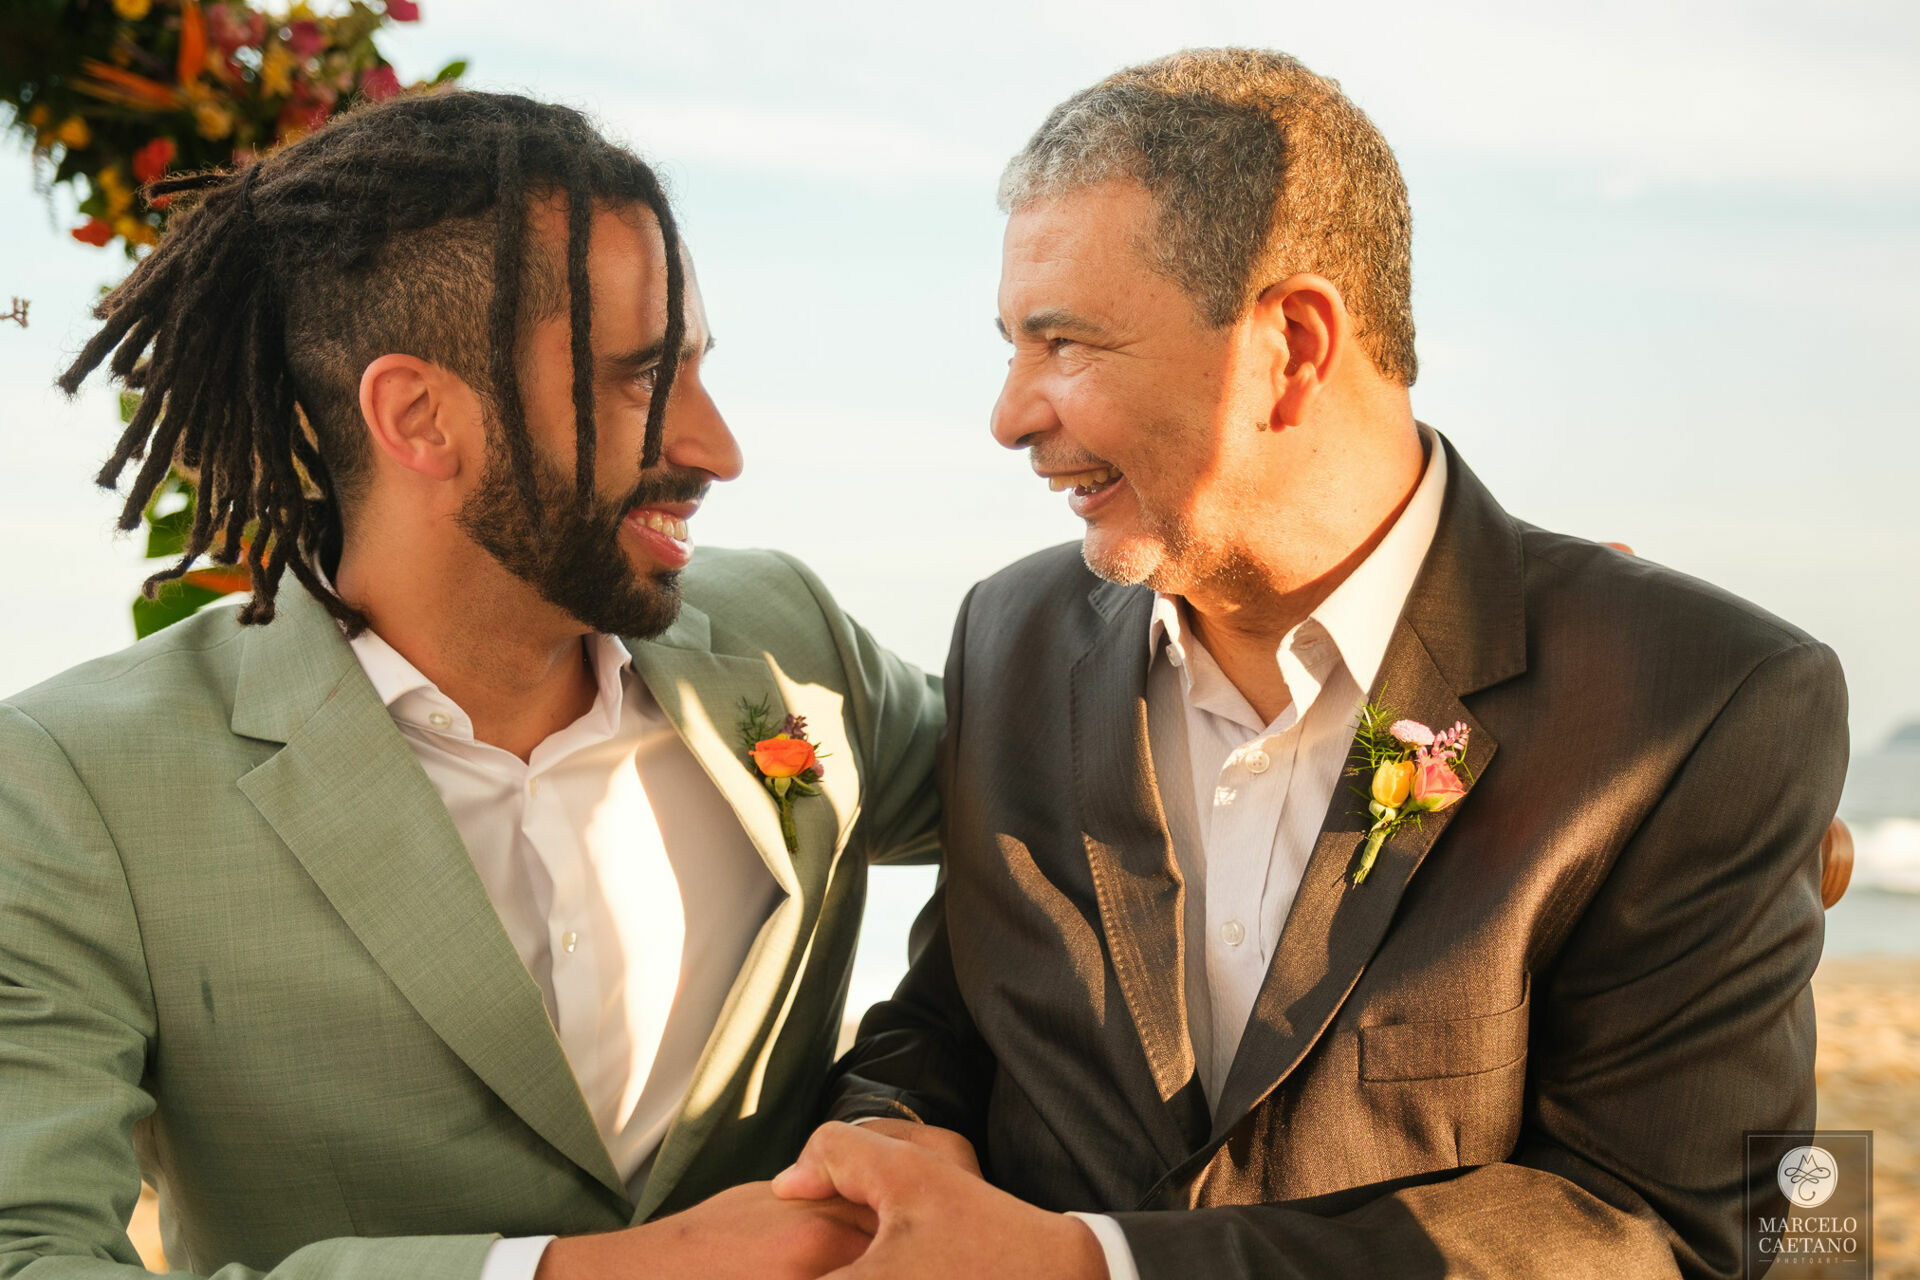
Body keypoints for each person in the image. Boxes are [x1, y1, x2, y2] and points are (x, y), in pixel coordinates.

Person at [783, 48, 1849, 1279]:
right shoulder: (1009, 634)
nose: (1011, 413)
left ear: (1290, 344)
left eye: (1063, 343)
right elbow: (955, 1019)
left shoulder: (1701, 701)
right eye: (1012, 345)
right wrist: (889, 1142)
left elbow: (1695, 1232)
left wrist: (1092, 1264)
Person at [0, 91, 943, 1280]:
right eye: (642, 380)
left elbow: (1084, 792)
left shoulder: (787, 645)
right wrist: (571, 1273)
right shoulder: (73, 784)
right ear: (418, 415)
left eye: (696, 370)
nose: (715, 445)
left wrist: (911, 1103)